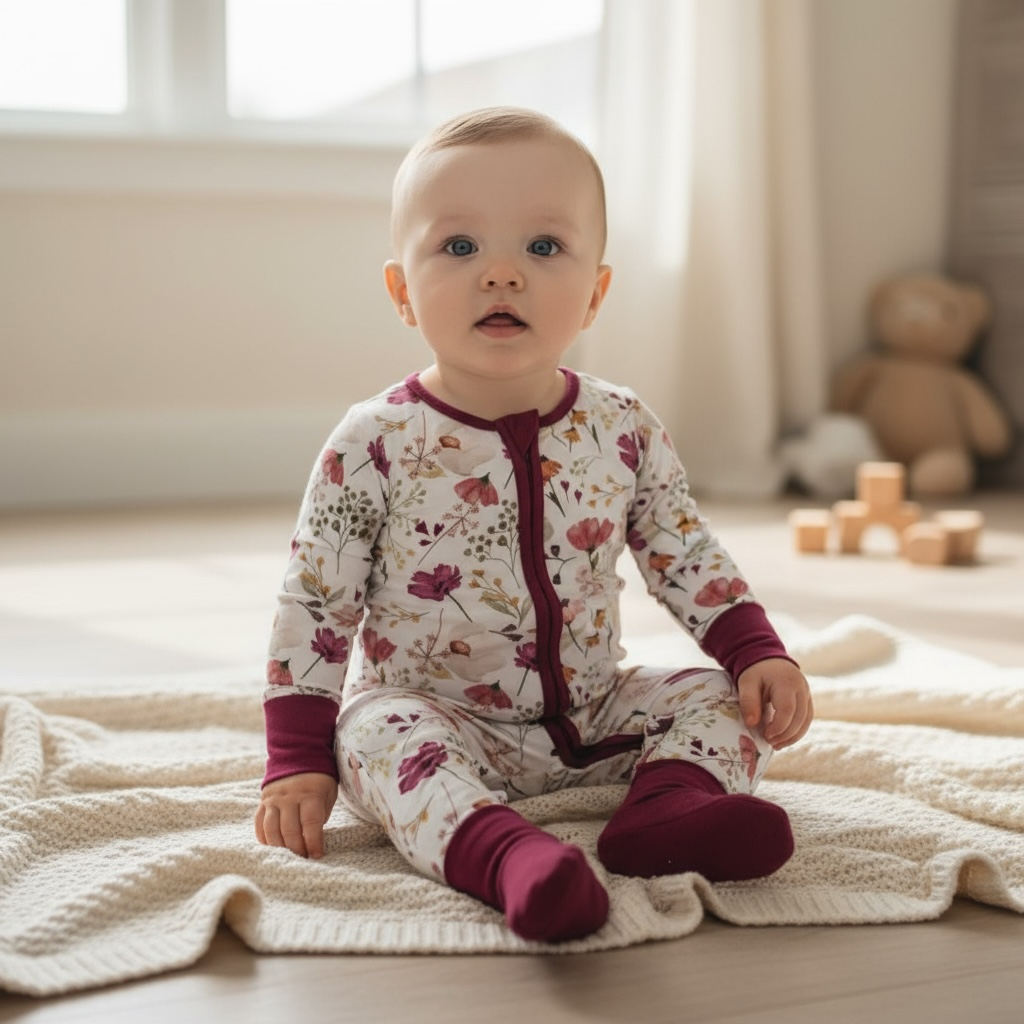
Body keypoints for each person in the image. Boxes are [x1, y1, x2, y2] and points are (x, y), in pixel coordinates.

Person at [255, 106, 813, 943]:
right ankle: (510, 860)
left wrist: (755, 649)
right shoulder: (374, 442)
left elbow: (682, 548)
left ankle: (665, 815)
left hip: (593, 713)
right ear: (403, 292)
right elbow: (316, 604)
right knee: (373, 741)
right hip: (434, 714)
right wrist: (297, 759)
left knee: (724, 699)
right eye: (460, 247)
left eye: (543, 248)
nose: (502, 275)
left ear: (595, 292)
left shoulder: (621, 426)